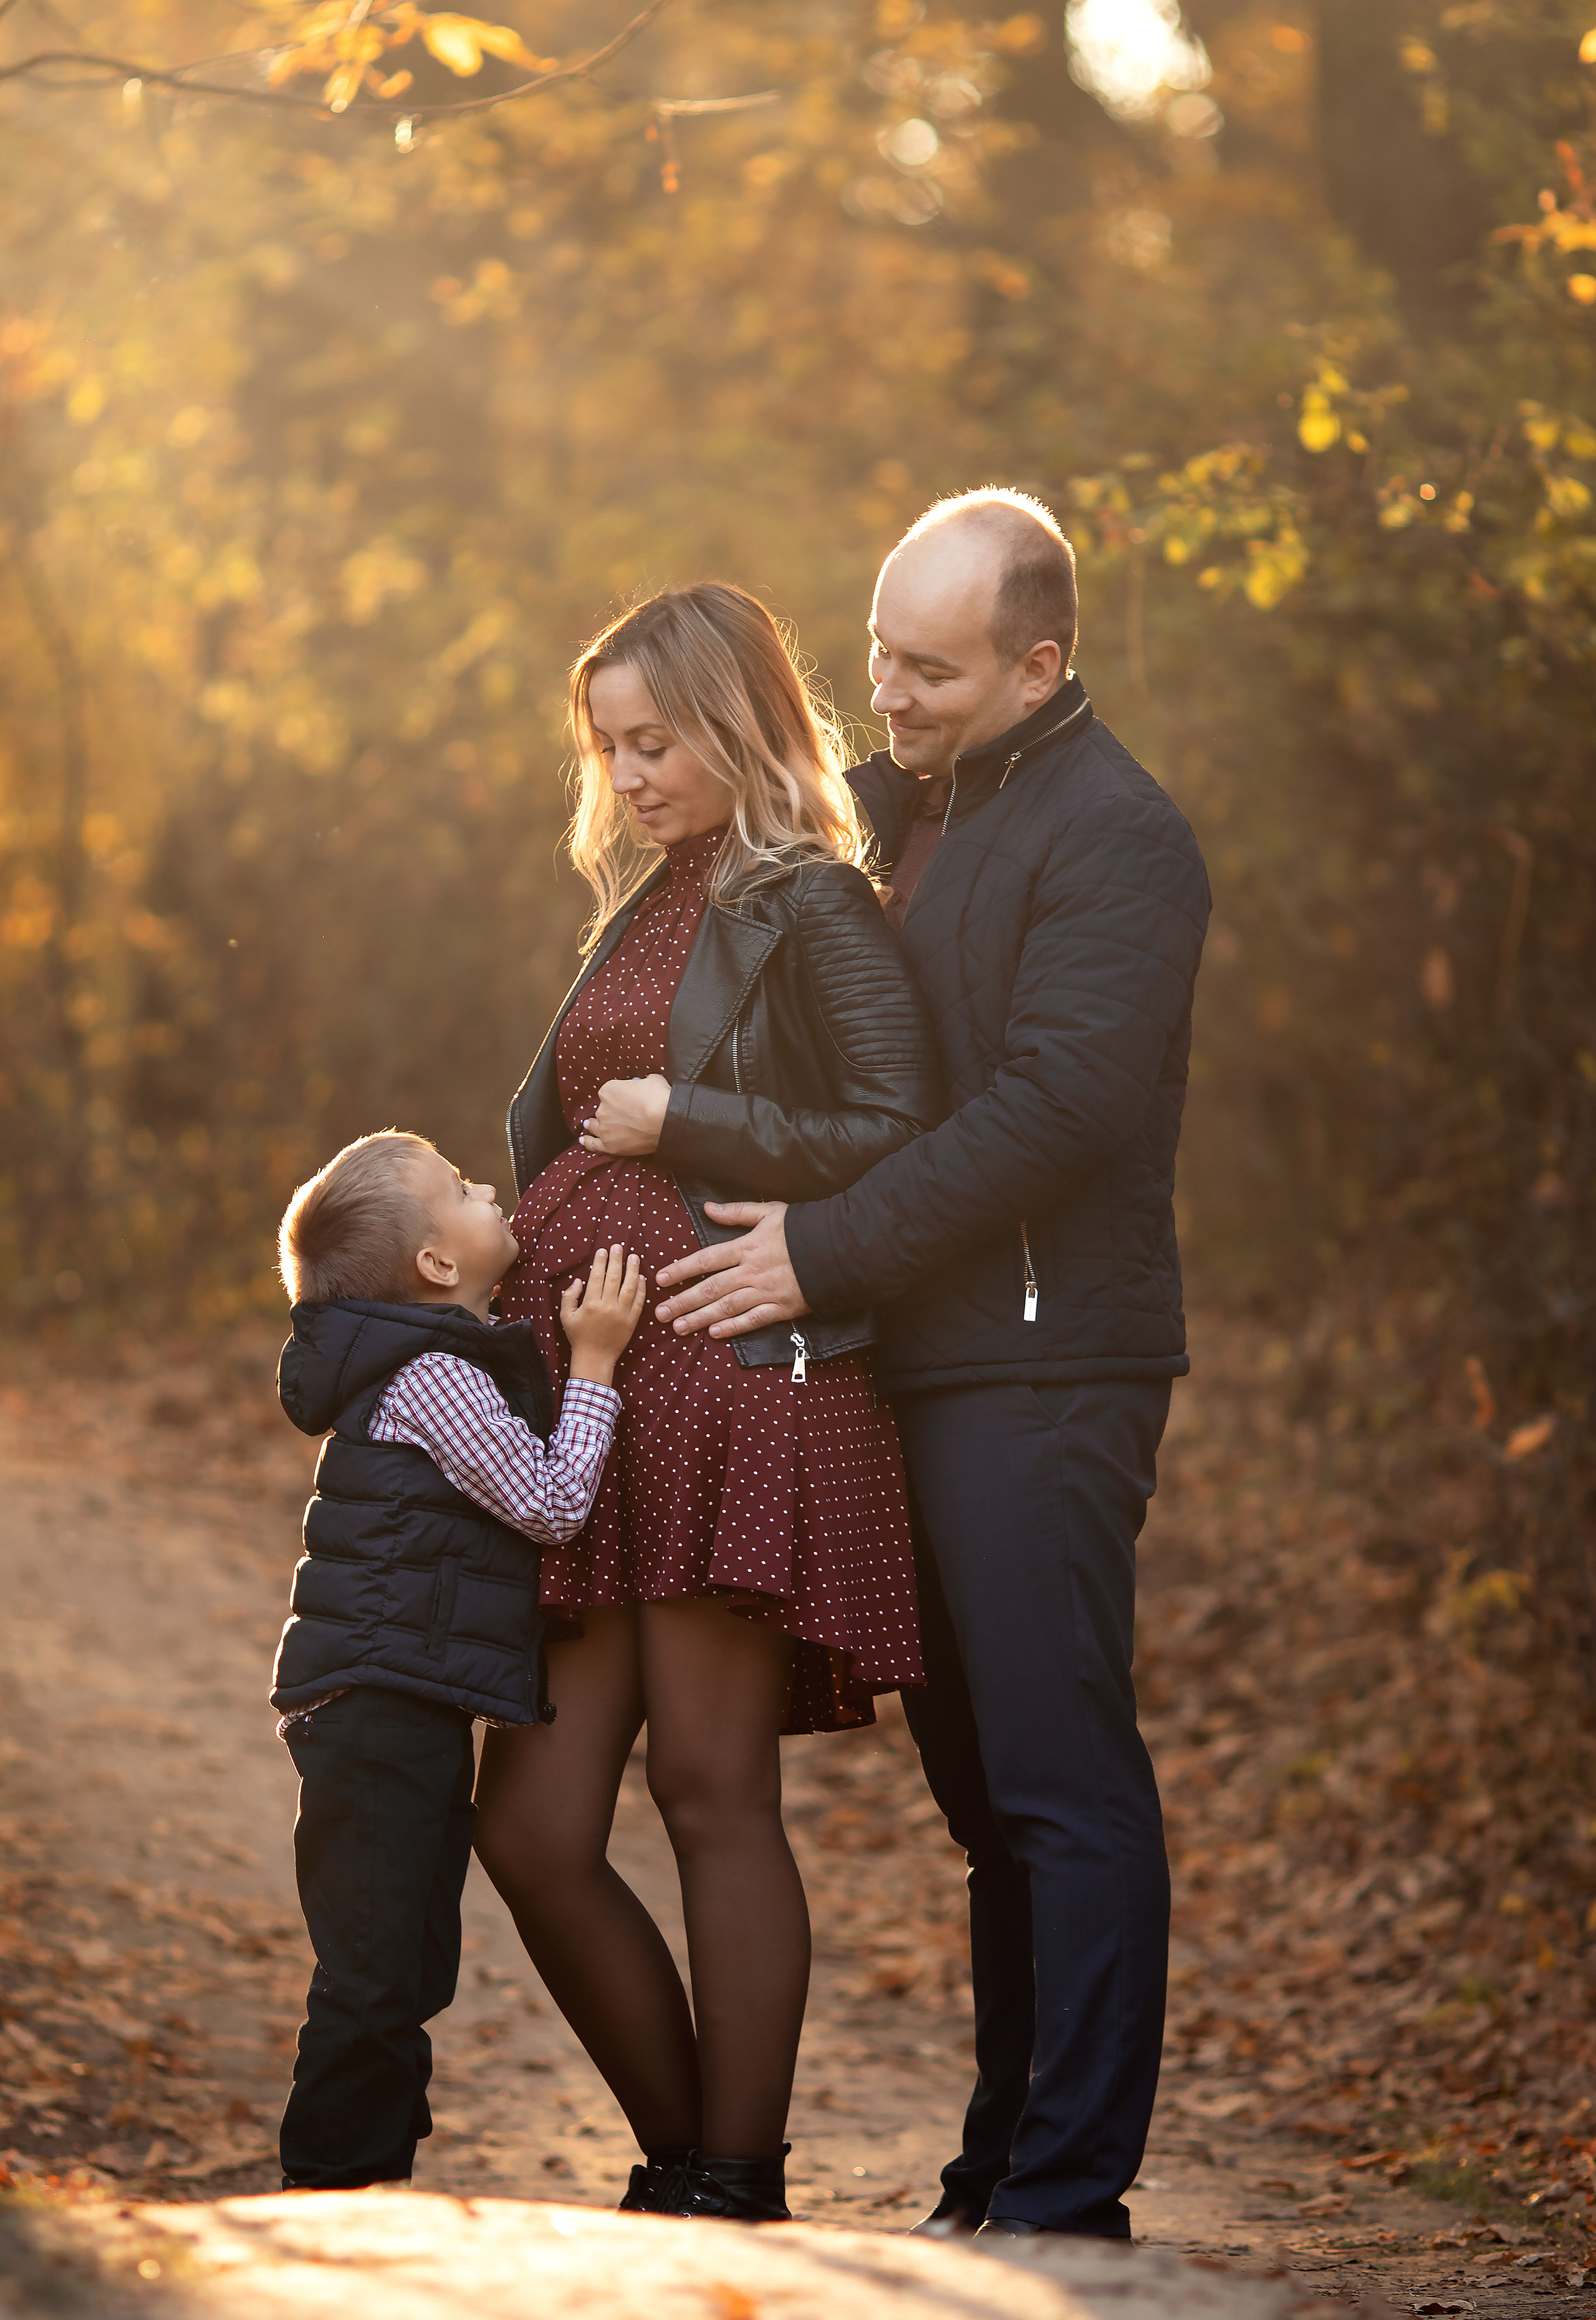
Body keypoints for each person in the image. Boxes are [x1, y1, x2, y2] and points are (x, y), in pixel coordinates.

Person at [652, 491, 1212, 2241]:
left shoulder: (1120, 837)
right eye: (879, 652)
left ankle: (1069, 2193)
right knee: (982, 1801)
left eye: (932, 669)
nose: (885, 693)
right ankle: (998, 2172)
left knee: (1057, 1780)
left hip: (1043, 1370)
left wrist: (821, 1248)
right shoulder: (894, 808)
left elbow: (1055, 1112)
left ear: (1040, 666)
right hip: (912, 1361)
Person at [472, 582, 941, 2226]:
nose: (629, 775)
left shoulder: (808, 901)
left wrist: (692, 1122)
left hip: (730, 1383)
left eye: (656, 742)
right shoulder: (647, 898)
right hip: (597, 1404)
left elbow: (899, 1129)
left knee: (707, 1791)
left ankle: (731, 2181)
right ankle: (682, 2153)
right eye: (610, 747)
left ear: (739, 727)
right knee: (531, 1825)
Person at [271, 1127, 645, 2192]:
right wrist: (597, 1362)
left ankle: (368, 2188)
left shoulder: (436, 1359)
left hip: (395, 1706)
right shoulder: (434, 1374)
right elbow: (552, 1502)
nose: (489, 1189)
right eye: (464, 1189)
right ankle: (329, 2203)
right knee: (373, 1975)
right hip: (378, 1710)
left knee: (405, 1966)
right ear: (437, 1264)